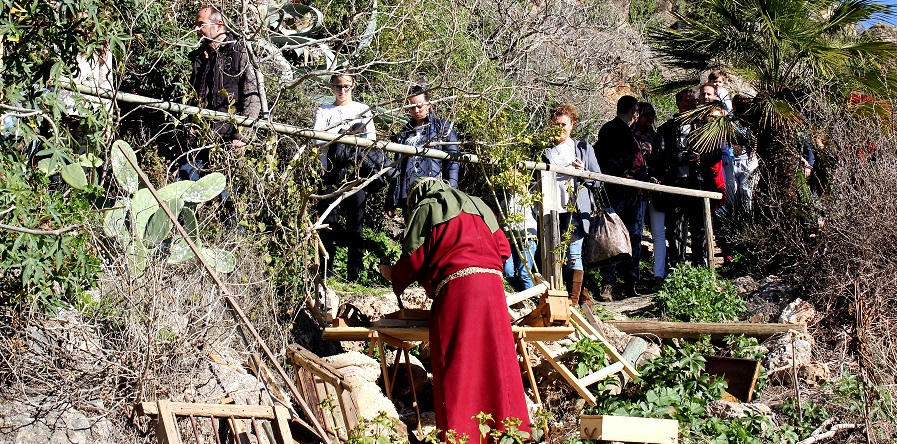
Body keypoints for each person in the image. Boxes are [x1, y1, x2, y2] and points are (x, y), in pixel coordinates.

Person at [379, 178, 530, 442]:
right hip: (494, 291)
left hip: (458, 293)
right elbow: (503, 249)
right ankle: (508, 433)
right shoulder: (479, 205)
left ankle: (462, 435)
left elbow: (414, 259)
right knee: (497, 361)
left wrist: (393, 274)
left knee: (459, 364)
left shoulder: (427, 207)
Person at [313, 72, 382, 281]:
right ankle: (326, 271)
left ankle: (354, 274)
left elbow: (371, 140)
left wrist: (343, 136)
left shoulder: (362, 110)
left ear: (353, 85)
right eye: (338, 86)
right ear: (331, 86)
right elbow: (317, 139)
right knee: (327, 222)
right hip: (330, 172)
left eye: (346, 86)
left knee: (356, 223)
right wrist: (347, 134)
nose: (342, 90)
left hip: (356, 172)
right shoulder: (324, 110)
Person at [183, 5, 261, 180]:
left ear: (218, 25)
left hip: (227, 141)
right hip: (197, 138)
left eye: (201, 24)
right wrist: (187, 129)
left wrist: (242, 136)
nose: (196, 29)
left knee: (224, 193)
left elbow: (252, 97)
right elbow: (194, 96)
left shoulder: (240, 52)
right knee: (184, 189)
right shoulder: (199, 56)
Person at [543, 103, 602, 305]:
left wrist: (583, 172)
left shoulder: (583, 149)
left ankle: (572, 302)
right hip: (551, 208)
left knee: (574, 253)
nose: (559, 128)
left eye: (564, 124)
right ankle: (572, 297)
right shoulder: (545, 150)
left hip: (574, 208)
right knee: (554, 253)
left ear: (572, 124)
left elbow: (598, 180)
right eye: (556, 124)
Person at [595, 95, 646, 299]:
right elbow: (604, 158)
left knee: (634, 236)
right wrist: (622, 173)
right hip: (617, 191)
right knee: (613, 236)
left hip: (634, 192)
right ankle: (608, 283)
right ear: (633, 110)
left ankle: (631, 282)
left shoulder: (632, 132)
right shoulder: (610, 130)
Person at [387, 85, 460, 216]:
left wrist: (450, 192)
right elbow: (398, 168)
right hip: (409, 194)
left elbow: (453, 162)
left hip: (433, 191)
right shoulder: (404, 133)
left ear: (428, 105)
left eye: (419, 106)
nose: (416, 110)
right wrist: (391, 200)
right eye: (411, 107)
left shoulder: (442, 128)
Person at [658, 88, 709, 268]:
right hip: (675, 182)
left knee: (699, 225)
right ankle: (677, 265)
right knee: (675, 226)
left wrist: (701, 159)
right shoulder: (666, 129)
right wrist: (679, 159)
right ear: (678, 103)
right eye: (688, 100)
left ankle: (700, 263)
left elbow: (714, 154)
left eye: (694, 100)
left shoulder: (704, 127)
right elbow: (661, 156)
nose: (692, 104)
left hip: (697, 181)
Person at [632, 102, 667, 286]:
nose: (649, 118)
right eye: (646, 114)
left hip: (656, 187)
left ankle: (659, 275)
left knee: (658, 233)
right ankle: (633, 275)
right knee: (635, 232)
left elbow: (663, 161)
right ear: (637, 115)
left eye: (652, 115)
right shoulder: (630, 135)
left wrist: (658, 177)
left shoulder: (657, 136)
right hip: (637, 188)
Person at [499, 176, 539, 292]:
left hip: (528, 238)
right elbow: (501, 222)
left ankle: (530, 298)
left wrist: (529, 193)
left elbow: (539, 211)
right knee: (508, 272)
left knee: (524, 273)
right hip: (511, 240)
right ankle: (516, 297)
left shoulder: (528, 197)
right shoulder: (504, 202)